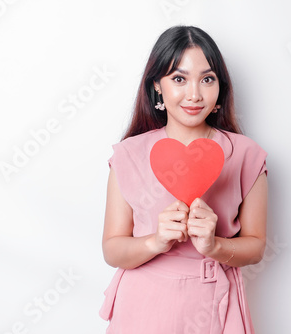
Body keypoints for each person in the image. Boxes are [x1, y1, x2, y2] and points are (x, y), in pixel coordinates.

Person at [99, 25, 268, 333]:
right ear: (157, 86)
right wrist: (156, 241)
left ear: (220, 87)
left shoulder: (246, 155)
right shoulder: (129, 155)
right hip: (142, 306)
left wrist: (214, 246)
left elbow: (255, 247)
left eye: (207, 79)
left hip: (213, 305)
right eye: (179, 78)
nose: (194, 94)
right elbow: (112, 249)